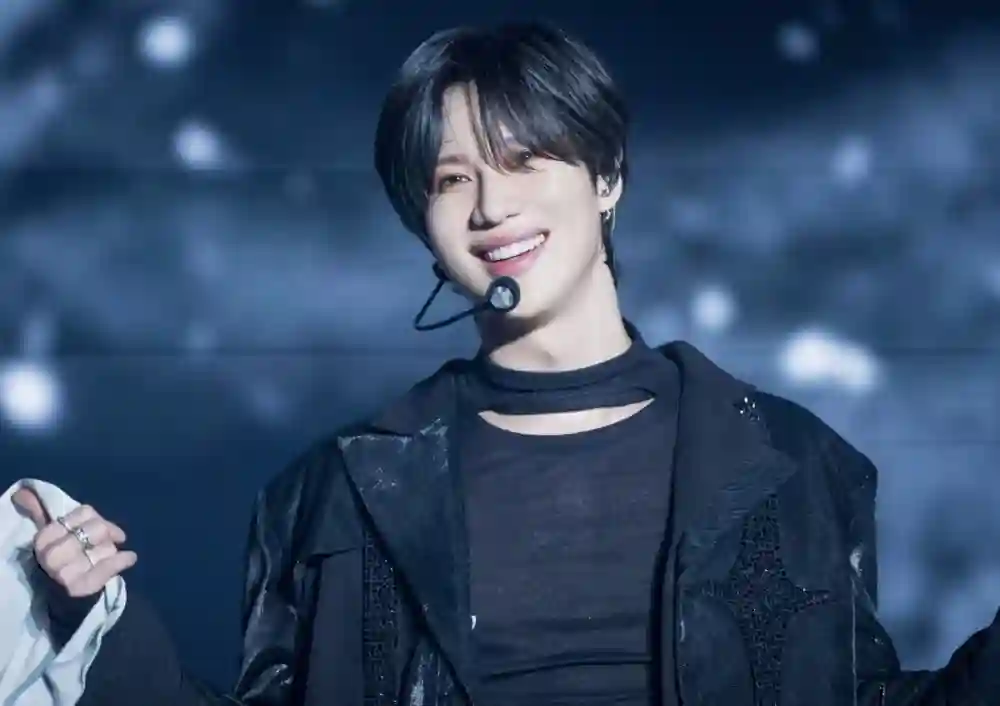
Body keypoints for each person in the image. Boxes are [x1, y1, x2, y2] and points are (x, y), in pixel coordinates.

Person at [11, 20, 1000, 706]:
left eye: (524, 160)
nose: (491, 208)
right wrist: (91, 620)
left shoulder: (793, 462)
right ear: (423, 224)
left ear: (606, 175)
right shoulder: (332, 495)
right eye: (452, 180)